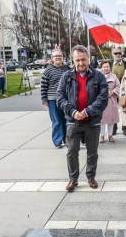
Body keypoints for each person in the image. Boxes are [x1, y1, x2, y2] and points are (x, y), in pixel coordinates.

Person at [56, 45, 108, 192]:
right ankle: (73, 179)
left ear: (88, 58)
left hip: (92, 121)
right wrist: (73, 112)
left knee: (92, 152)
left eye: (83, 60)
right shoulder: (66, 77)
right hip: (73, 121)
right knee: (71, 151)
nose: (80, 63)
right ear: (73, 60)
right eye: (77, 60)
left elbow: (103, 98)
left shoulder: (98, 76)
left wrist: (87, 112)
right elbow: (60, 97)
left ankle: (91, 176)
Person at [41, 49, 70, 148]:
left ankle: (67, 140)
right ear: (52, 58)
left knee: (67, 120)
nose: (58, 58)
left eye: (60, 56)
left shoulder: (68, 69)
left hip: (66, 99)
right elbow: (43, 86)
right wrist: (44, 100)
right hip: (52, 99)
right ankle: (57, 141)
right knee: (57, 121)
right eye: (55, 56)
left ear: (63, 57)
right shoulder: (48, 70)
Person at [99, 60, 120, 143]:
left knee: (111, 119)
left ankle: (110, 135)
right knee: (102, 120)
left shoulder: (114, 76)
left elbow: (118, 86)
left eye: (107, 66)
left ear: (110, 67)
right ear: (101, 68)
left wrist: (113, 92)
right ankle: (102, 136)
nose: (106, 68)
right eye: (104, 67)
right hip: (101, 100)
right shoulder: (98, 76)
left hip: (111, 100)